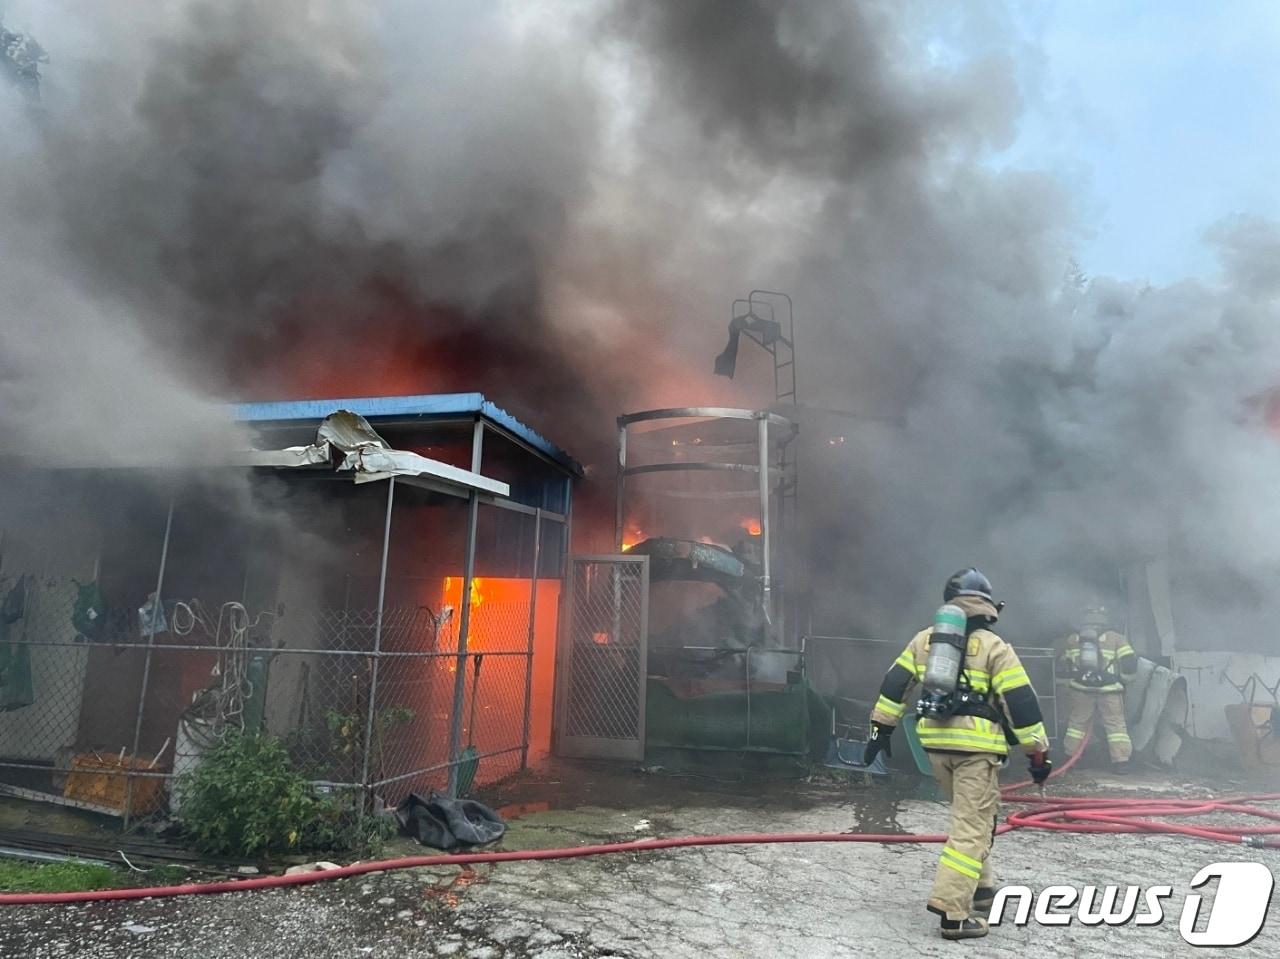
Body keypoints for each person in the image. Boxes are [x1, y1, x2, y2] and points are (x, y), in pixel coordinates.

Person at [863, 568, 1051, 941]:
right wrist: (1038, 755)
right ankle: (953, 912)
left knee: (975, 819)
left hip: (935, 748)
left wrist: (879, 729)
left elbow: (895, 685)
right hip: (976, 752)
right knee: (970, 828)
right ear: (986, 606)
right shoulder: (995, 648)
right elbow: (1022, 706)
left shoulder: (924, 640)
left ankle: (981, 889)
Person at [1058, 606, 1137, 770]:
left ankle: (1070, 759)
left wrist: (1069, 684)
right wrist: (1124, 680)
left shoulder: (1074, 639)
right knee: (1115, 726)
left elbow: (1064, 665)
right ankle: (1121, 762)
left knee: (1077, 724)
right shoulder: (1116, 638)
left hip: (1081, 689)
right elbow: (1129, 662)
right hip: (1109, 690)